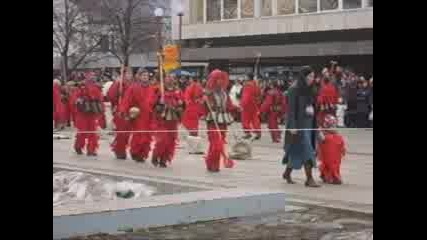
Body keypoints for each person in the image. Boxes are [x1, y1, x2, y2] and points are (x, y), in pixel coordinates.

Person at [282, 66, 320, 188]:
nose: (312, 79)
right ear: (303, 76)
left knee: (297, 150)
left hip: (309, 124)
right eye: (309, 76)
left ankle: (287, 173)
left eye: (313, 77)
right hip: (298, 125)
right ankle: (309, 179)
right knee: (307, 150)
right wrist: (292, 126)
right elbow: (291, 110)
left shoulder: (311, 89)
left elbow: (313, 107)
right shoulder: (294, 89)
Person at [202, 69, 238, 172]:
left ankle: (214, 165)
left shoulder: (224, 93)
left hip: (223, 122)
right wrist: (204, 101)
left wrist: (237, 108)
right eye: (217, 79)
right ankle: (210, 162)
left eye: (221, 79)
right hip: (213, 121)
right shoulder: (208, 93)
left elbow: (229, 106)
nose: (220, 81)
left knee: (220, 143)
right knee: (216, 144)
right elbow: (203, 107)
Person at [118, 68, 156, 162]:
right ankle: (135, 152)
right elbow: (127, 100)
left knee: (147, 136)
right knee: (138, 135)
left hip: (148, 116)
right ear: (139, 76)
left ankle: (143, 154)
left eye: (147, 76)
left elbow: (154, 101)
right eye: (143, 75)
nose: (145, 77)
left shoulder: (151, 88)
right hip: (138, 115)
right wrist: (123, 110)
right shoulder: (134, 87)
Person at [151, 76, 184, 167]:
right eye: (168, 80)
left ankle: (164, 159)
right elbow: (153, 104)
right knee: (162, 140)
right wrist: (160, 103)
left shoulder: (178, 92)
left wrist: (180, 105)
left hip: (173, 120)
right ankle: (155, 155)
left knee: (171, 141)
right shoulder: (159, 91)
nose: (170, 82)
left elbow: (182, 106)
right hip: (162, 120)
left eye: (172, 80)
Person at [72, 73, 105, 156]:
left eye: (94, 76)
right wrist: (79, 100)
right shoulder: (81, 87)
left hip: (92, 113)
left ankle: (91, 149)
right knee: (82, 131)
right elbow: (75, 98)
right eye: (91, 76)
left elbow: (100, 100)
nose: (92, 78)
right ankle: (78, 146)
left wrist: (100, 109)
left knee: (93, 132)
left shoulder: (97, 87)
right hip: (82, 113)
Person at [106, 67, 133, 159]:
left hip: (130, 111)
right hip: (120, 111)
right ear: (123, 74)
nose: (129, 75)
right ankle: (119, 150)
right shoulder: (118, 83)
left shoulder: (132, 84)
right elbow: (110, 96)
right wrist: (118, 92)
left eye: (130, 73)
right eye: (128, 73)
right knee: (122, 132)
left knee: (127, 133)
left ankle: (121, 148)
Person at [318, 114, 346, 185]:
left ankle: (331, 177)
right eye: (331, 126)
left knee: (335, 167)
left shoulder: (338, 136)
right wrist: (320, 131)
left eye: (334, 126)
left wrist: (343, 150)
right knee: (328, 166)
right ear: (326, 126)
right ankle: (334, 178)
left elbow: (342, 144)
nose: (334, 128)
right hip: (327, 156)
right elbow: (320, 141)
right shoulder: (325, 136)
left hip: (336, 157)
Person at [240, 73, 262, 140]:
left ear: (248, 78)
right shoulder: (256, 85)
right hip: (254, 105)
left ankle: (247, 133)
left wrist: (242, 105)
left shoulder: (247, 85)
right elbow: (259, 95)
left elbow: (246, 97)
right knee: (255, 119)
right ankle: (258, 132)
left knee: (245, 119)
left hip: (247, 105)